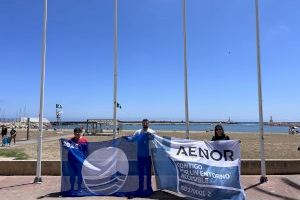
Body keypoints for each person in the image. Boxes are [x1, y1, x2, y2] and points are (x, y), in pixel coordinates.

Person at [126, 119, 155, 197]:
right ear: (142, 124)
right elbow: (133, 139)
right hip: (140, 156)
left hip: (148, 156)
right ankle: (141, 188)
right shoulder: (138, 132)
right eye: (144, 123)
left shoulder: (152, 132)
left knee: (149, 173)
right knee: (141, 174)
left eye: (146, 123)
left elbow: (154, 139)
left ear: (149, 124)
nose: (145, 124)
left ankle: (149, 188)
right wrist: (126, 138)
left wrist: (150, 135)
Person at [68, 127, 88, 193]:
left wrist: (85, 159)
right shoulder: (70, 141)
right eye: (76, 132)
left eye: (79, 132)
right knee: (72, 175)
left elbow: (86, 151)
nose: (77, 134)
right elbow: (66, 148)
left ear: (81, 133)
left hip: (80, 161)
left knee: (80, 175)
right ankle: (72, 188)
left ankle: (79, 188)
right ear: (74, 133)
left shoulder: (84, 141)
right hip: (72, 161)